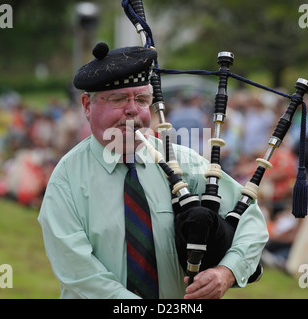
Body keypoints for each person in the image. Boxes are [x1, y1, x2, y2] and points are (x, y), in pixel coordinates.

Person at [38, 43, 268, 299]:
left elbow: (251, 219)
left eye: (142, 99)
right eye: (118, 99)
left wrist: (227, 272)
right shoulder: (67, 179)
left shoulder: (182, 163)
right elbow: (79, 272)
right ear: (87, 105)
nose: (132, 110)